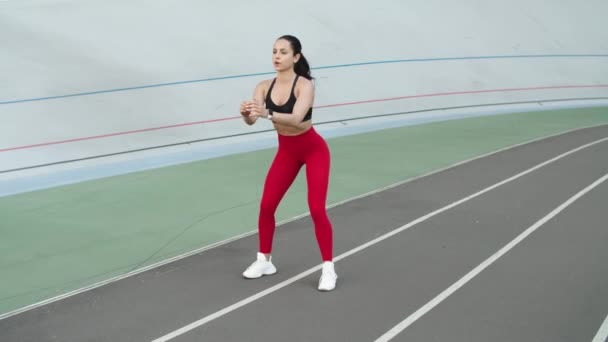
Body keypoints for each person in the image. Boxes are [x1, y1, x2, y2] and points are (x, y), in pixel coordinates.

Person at [238, 35, 337, 291]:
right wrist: (247, 115)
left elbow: (295, 118)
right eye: (274, 51)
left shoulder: (305, 86)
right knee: (266, 205)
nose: (277, 56)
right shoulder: (262, 87)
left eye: (283, 52)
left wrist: (266, 113)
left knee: (316, 209)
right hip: (287, 152)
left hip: (313, 150)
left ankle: (328, 268)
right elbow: (253, 119)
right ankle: (264, 261)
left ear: (295, 57)